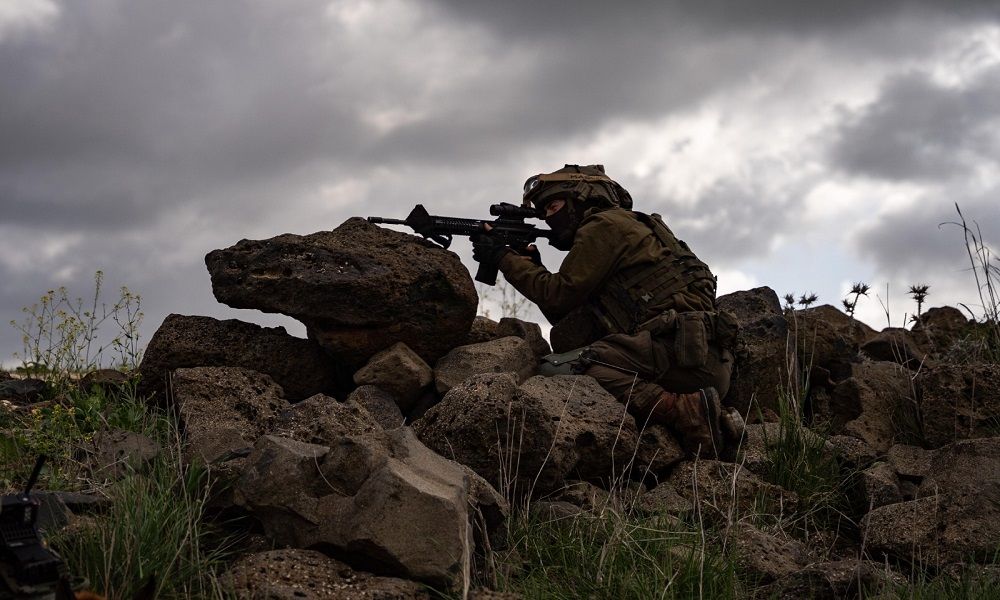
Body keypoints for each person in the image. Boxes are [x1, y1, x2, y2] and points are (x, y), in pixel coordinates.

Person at [472, 164, 739, 458]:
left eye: (553, 206)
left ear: (580, 199)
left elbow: (557, 295)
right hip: (702, 359)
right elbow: (571, 322)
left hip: (679, 357)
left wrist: (502, 257)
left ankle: (683, 411)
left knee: (557, 368)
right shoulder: (631, 226)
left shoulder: (603, 226)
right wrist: (533, 268)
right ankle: (713, 416)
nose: (548, 217)